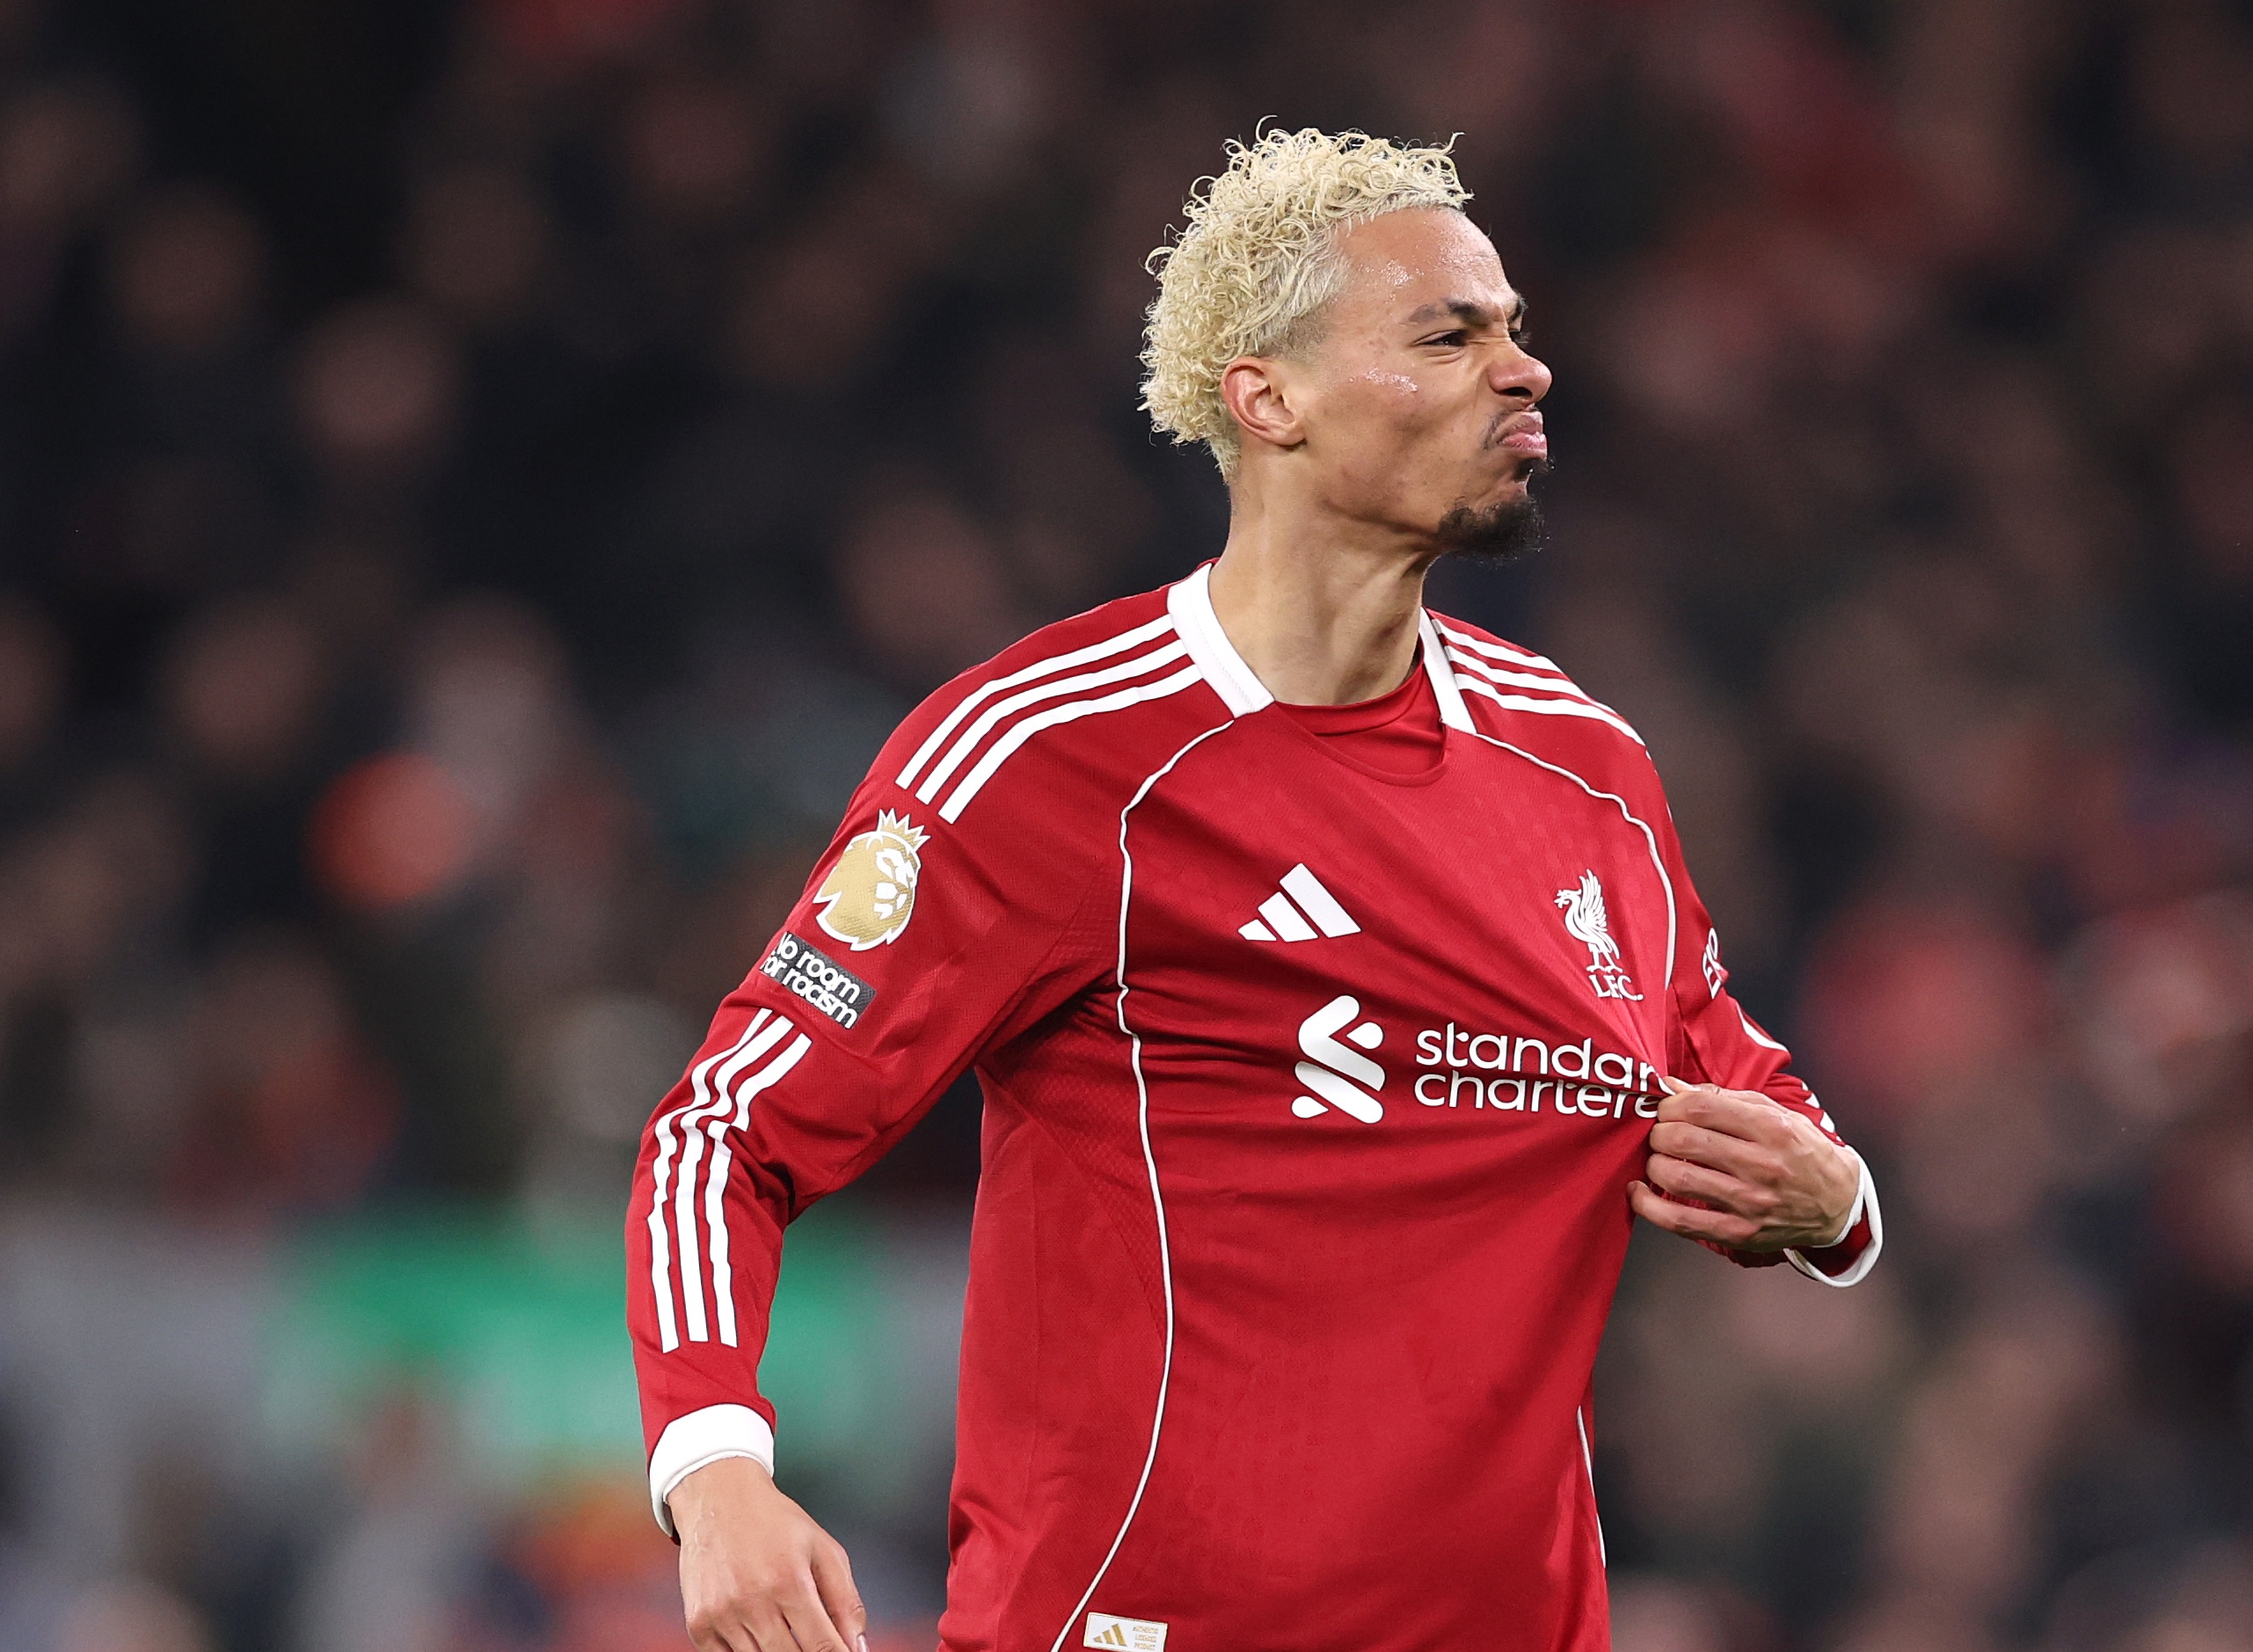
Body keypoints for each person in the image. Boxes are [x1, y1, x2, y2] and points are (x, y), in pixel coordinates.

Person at [628, 128, 1882, 1652]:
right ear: (1266, 398)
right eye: (1451, 333)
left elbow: (1729, 1081)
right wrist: (716, 1473)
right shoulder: (1049, 755)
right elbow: (726, 1132)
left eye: (1516, 330)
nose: (1524, 370)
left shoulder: (1585, 767)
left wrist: (1837, 1202)